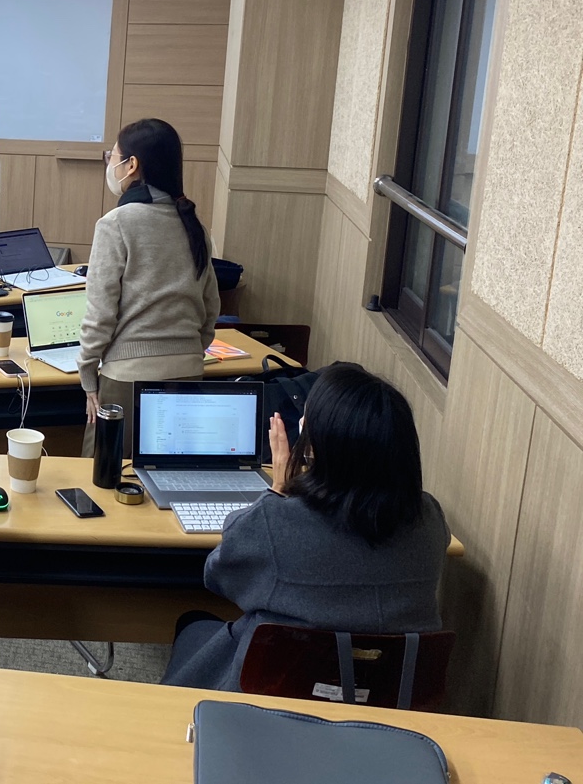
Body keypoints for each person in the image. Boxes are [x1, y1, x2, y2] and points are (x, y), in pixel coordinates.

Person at [162, 363, 451, 691]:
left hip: (272, 698)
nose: (301, 425)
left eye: (308, 422)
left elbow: (218, 576)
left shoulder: (276, 522)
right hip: (392, 697)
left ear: (319, 445)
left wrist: (277, 490)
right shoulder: (430, 521)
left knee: (194, 626)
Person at [77, 118, 220, 456]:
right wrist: (188, 352)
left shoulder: (116, 224)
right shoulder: (193, 225)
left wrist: (87, 374)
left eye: (112, 156)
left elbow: (100, 314)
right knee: (170, 474)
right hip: (189, 373)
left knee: (103, 475)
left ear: (132, 165)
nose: (110, 163)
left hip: (128, 377)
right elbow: (211, 307)